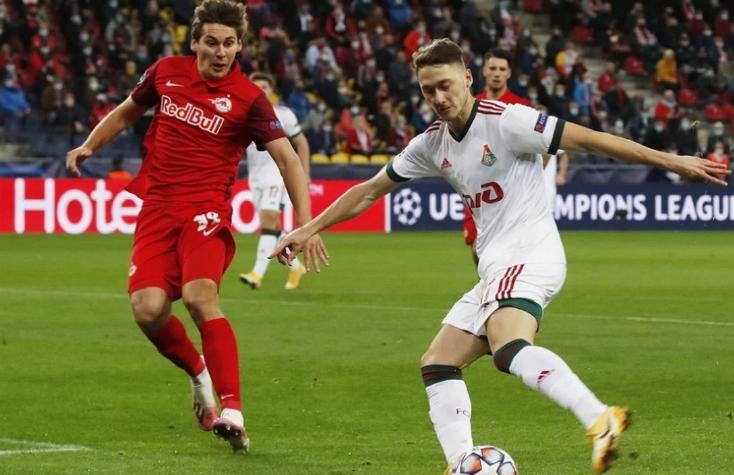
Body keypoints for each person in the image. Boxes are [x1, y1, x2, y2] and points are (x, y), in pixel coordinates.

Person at [270, 39, 728, 474]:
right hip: (496, 266)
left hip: (530, 254)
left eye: (446, 85)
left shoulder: (508, 121)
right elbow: (370, 190)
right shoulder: (432, 143)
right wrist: (308, 228)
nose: (439, 98)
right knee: (439, 361)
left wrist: (672, 161)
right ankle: (462, 463)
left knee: (508, 348)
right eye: (429, 90)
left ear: (468, 78)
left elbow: (589, 140)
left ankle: (599, 418)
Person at [65, 0, 327, 453]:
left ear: (239, 46)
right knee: (147, 310)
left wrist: (308, 226)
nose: (220, 52)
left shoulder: (249, 97)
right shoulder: (166, 72)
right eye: (212, 42)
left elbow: (288, 160)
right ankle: (199, 371)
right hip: (158, 209)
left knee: (199, 297)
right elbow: (127, 110)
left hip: (206, 213)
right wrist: (90, 145)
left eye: (229, 43)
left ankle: (233, 410)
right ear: (195, 42)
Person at [239, 72, 310, 291]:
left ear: (272, 91)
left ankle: (256, 274)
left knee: (269, 218)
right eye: (256, 86)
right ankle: (296, 267)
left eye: (265, 86)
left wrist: (304, 174)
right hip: (255, 177)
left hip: (276, 173)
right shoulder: (242, 113)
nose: (261, 90)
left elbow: (302, 143)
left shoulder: (283, 114)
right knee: (272, 225)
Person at [465, 48, 529, 267]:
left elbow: (542, 151)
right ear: (484, 71)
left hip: (512, 195)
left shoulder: (521, 107)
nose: (497, 73)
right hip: (478, 193)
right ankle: (488, 287)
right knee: (478, 250)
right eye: (492, 68)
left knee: (511, 257)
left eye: (502, 69)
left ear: (509, 73)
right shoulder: (470, 106)